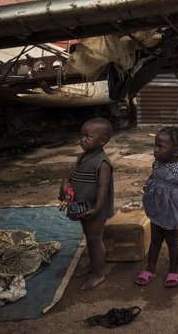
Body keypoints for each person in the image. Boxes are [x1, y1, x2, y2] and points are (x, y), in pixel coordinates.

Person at [136, 126, 178, 288]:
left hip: (172, 209)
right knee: (155, 239)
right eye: (155, 145)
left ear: (176, 151)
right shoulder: (157, 164)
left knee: (172, 241)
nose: (155, 150)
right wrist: (149, 186)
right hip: (157, 207)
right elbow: (154, 176)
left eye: (160, 146)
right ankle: (150, 268)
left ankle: (173, 271)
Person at [60, 117, 114, 290]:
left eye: (88, 136)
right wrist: (65, 183)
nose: (82, 140)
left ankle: (99, 273)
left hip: (96, 207)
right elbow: (73, 175)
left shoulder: (103, 163)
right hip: (82, 204)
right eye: (82, 135)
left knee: (94, 238)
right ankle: (93, 263)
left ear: (103, 140)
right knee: (88, 236)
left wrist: (97, 208)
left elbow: (103, 186)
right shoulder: (82, 156)